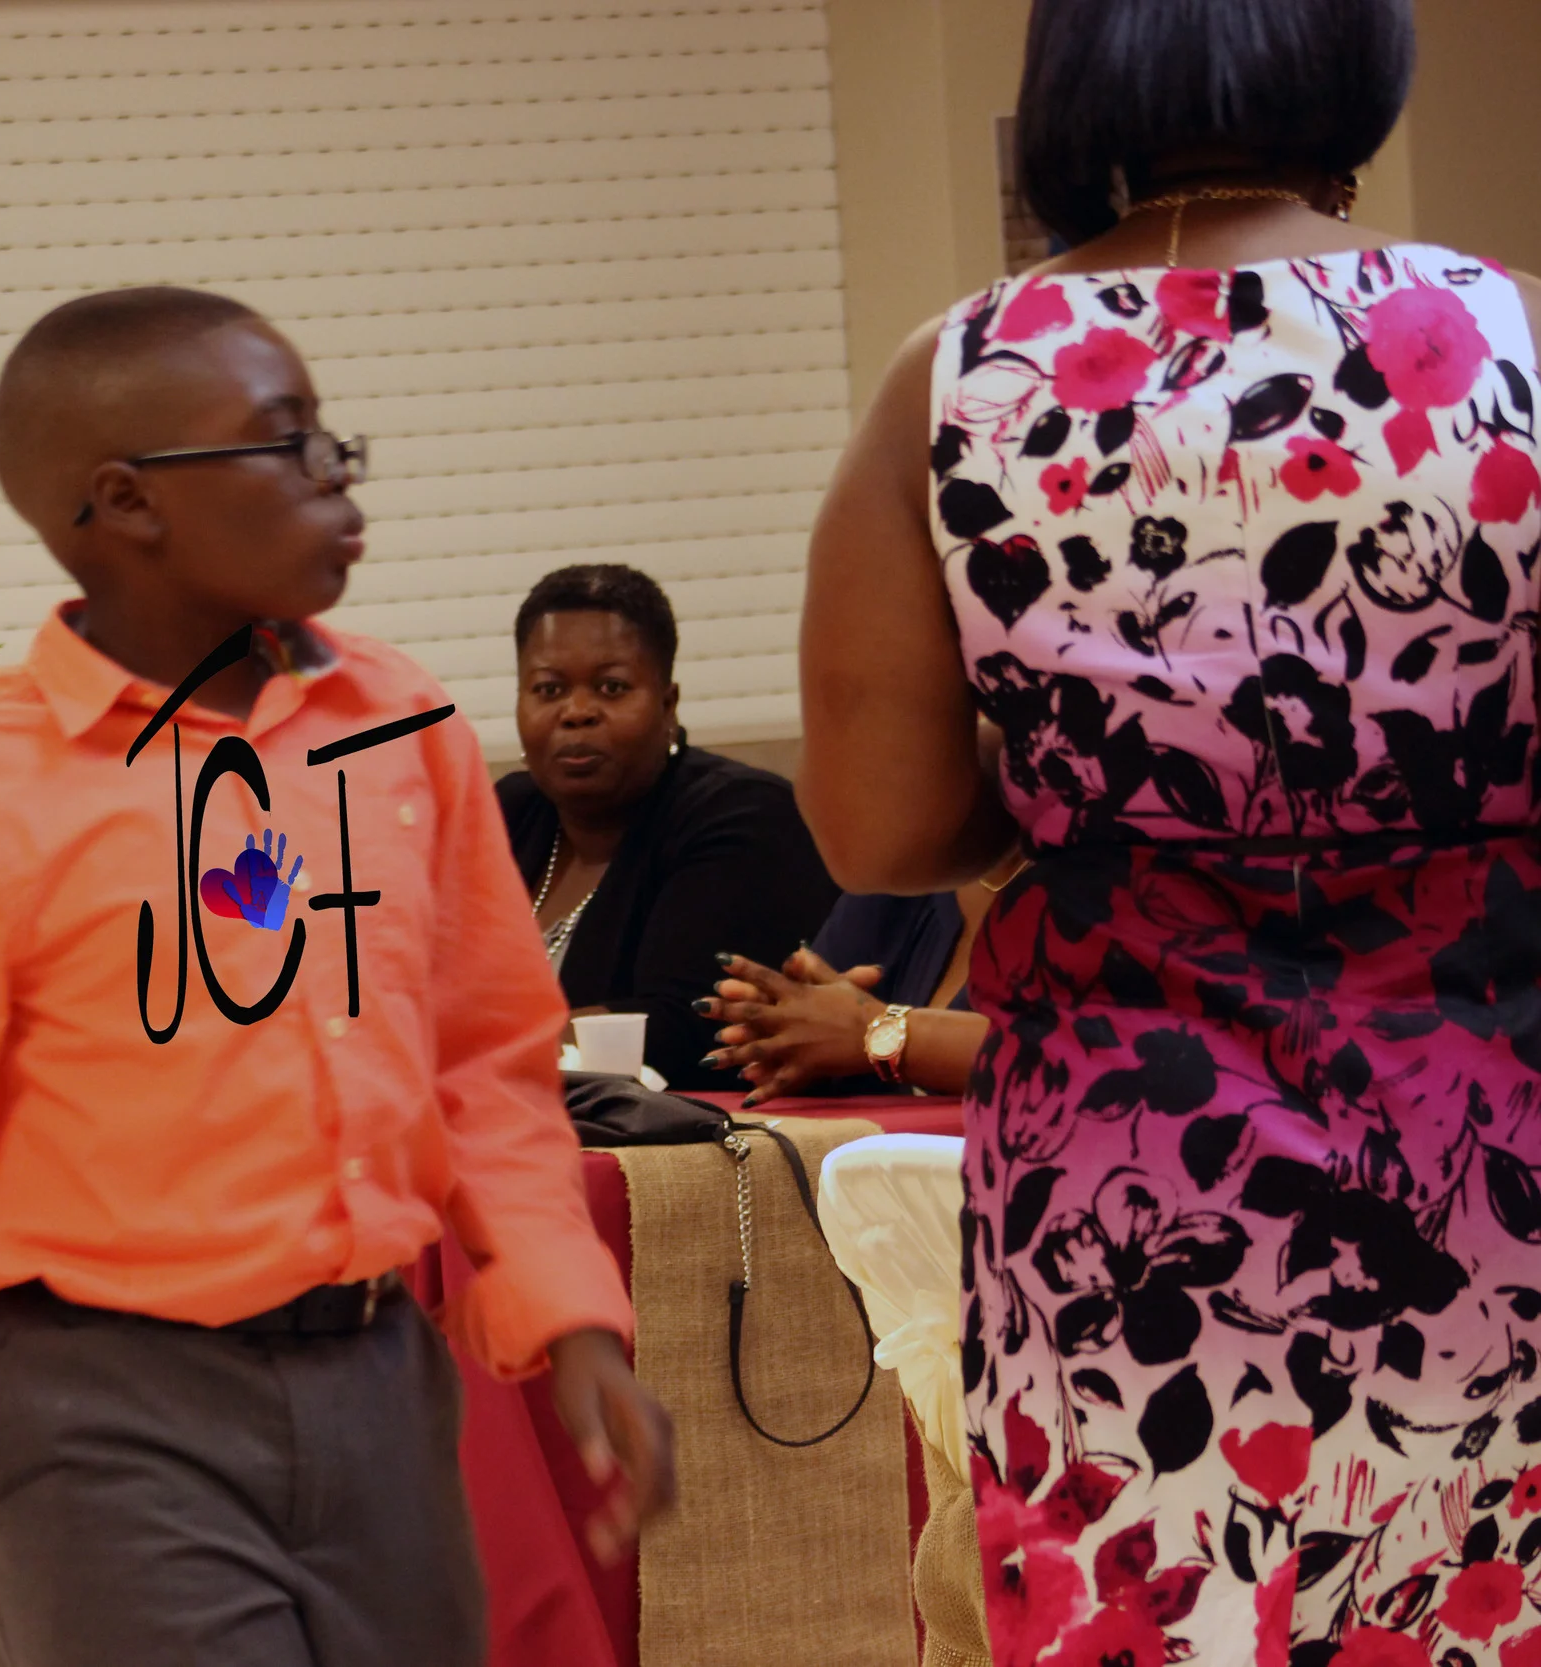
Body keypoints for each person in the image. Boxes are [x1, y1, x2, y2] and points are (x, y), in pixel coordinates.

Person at [0, 287, 673, 1667]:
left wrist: (573, 1320)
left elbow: (486, 1064)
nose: (338, 472)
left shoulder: (402, 724)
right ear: (127, 501)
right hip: (102, 1415)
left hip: (380, 1381)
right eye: (287, 439)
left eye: (330, 436)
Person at [796, 3, 1541, 1661]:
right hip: (1483, 1148)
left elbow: (881, 827)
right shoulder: (1514, 342)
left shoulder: (960, 383)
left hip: (1125, 1180)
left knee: (1148, 1616)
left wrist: (1098, 782)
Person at [495, 563, 837, 1090]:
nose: (577, 712)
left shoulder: (742, 815)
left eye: (611, 687)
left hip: (708, 1127)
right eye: (549, 689)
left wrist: (468, 1046)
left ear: (667, 704)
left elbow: (678, 1028)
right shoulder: (510, 813)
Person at [697, 850, 1023, 1103]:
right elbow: (824, 1023)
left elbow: (1052, 1059)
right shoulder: (898, 875)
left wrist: (876, 1030)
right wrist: (788, 1028)